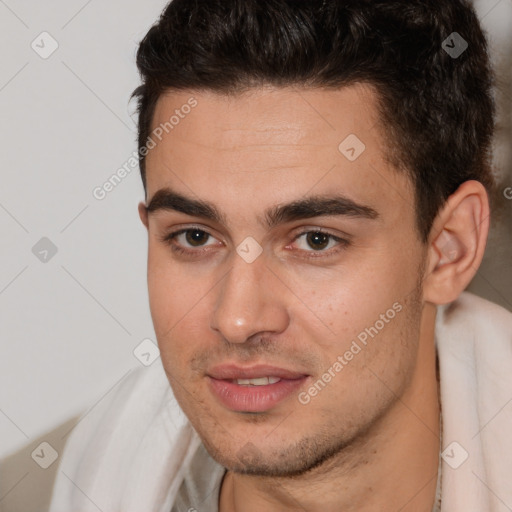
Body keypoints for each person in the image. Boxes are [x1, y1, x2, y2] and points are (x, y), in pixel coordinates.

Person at [48, 1, 512, 511]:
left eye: (316, 240)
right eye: (196, 237)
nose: (238, 319)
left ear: (449, 249)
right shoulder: (68, 481)